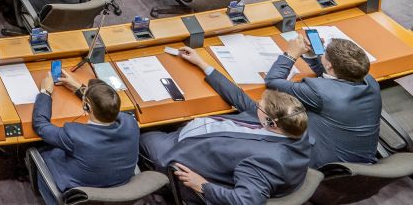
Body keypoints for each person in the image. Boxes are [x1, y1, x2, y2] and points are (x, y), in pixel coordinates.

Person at [141, 47, 311, 203]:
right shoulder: (292, 125)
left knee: (143, 134)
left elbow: (246, 201)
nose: (256, 103)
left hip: (183, 152)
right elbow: (240, 98)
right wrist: (202, 64)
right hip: (200, 134)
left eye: (260, 105)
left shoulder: (266, 162)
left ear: (271, 123)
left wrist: (202, 186)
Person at [266, 35, 380, 167]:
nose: (323, 51)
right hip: (363, 161)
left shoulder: (319, 92)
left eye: (324, 51)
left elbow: (272, 81)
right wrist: (313, 57)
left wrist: (291, 54)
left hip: (330, 166)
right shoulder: (369, 80)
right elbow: (335, 77)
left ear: (329, 65)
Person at [32, 73, 139, 205]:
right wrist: (78, 88)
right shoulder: (131, 123)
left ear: (87, 106)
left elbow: (40, 125)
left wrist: (45, 92)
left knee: (41, 150)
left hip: (81, 190)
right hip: (119, 188)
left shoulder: (74, 135)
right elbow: (106, 107)